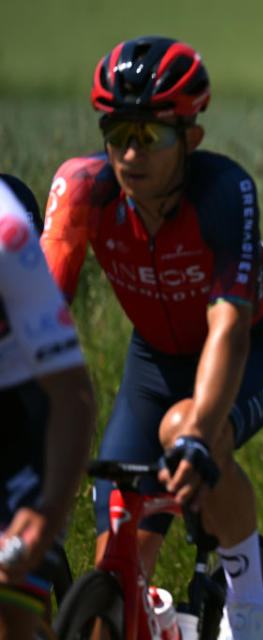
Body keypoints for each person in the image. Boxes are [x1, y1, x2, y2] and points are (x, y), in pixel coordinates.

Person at [40, 36, 263, 640]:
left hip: (250, 351)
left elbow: (228, 326)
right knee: (117, 570)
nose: (130, 153)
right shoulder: (84, 190)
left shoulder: (223, 191)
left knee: (190, 434)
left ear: (191, 139)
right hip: (152, 365)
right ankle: (157, 619)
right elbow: (40, 319)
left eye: (150, 136)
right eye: (117, 132)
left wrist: (205, 434)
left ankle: (249, 597)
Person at [0, 175, 96, 639]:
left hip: (17, 423)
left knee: (9, 610)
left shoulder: (8, 231)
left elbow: (73, 396)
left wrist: (48, 510)